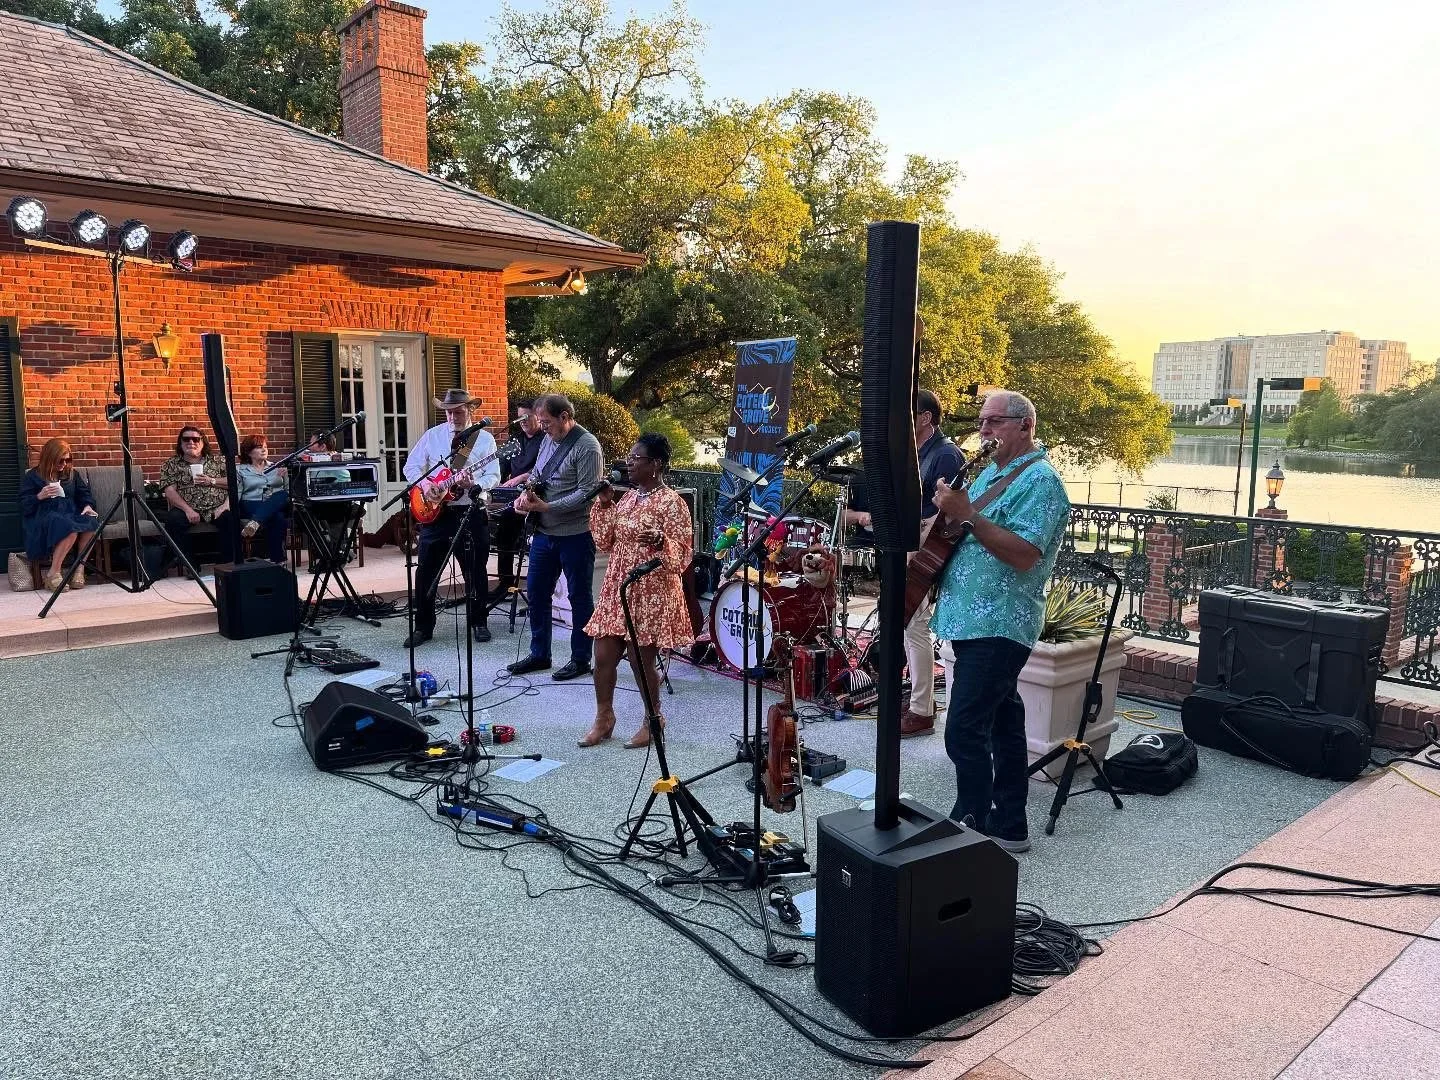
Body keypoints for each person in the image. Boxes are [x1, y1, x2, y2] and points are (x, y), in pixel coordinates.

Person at [930, 390, 1071, 853]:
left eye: (994, 422)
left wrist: (967, 514)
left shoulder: (1042, 481)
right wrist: (945, 519)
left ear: (1025, 425)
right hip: (972, 620)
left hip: (1000, 623)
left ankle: (967, 824)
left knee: (964, 728)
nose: (984, 432)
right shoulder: (995, 471)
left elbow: (1026, 554)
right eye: (981, 422)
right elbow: (967, 532)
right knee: (1003, 725)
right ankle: (1009, 824)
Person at [579, 434, 694, 748]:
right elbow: (605, 542)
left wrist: (661, 541)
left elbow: (683, 554)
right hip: (619, 585)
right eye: (628, 457)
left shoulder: (672, 502)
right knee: (602, 655)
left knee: (639, 659)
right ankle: (604, 717)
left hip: (651, 589)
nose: (628, 462)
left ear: (655, 464)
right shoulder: (628, 498)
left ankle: (653, 718)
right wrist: (604, 504)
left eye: (636, 458)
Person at [507, 393, 604, 681]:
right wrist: (525, 498)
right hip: (543, 532)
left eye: (547, 422)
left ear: (565, 417)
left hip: (575, 533)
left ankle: (580, 659)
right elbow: (537, 474)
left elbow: (587, 493)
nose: (543, 428)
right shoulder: (549, 438)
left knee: (579, 598)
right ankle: (540, 654)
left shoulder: (587, 447)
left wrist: (547, 506)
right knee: (536, 593)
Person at [401, 389, 499, 646]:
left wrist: (473, 483)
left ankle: (478, 621)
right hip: (436, 515)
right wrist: (424, 486)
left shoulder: (485, 439)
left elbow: (494, 476)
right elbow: (410, 466)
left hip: (469, 512)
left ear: (470, 410)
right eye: (448, 411)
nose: (452, 416)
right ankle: (423, 626)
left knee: (475, 570)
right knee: (426, 572)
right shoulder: (432, 436)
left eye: (458, 411)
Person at [900, 388, 966, 738]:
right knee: (907, 627)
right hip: (911, 547)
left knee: (915, 626)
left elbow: (948, 516)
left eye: (907, 414)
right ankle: (917, 700)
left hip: (926, 552)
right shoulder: (919, 452)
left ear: (926, 417)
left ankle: (921, 710)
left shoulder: (945, 455)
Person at [19, 438, 98, 590]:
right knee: (69, 528)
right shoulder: (33, 476)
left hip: (70, 512)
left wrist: (88, 505)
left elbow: (84, 494)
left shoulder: (71, 474)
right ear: (49, 458)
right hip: (45, 515)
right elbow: (24, 503)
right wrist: (39, 496)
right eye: (60, 460)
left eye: (67, 460)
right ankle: (53, 574)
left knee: (91, 523)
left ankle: (78, 569)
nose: (63, 464)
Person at [488, 399, 544, 606]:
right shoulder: (515, 440)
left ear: (537, 416)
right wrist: (497, 486)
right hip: (513, 498)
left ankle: (540, 589)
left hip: (536, 496)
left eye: (526, 416)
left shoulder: (546, 440)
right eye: (519, 416)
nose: (523, 421)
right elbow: (501, 467)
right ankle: (505, 584)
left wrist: (521, 478)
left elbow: (544, 470)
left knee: (534, 543)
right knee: (503, 535)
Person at [159, 425, 236, 573]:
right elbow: (169, 491)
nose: (191, 442)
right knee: (173, 520)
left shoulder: (218, 461)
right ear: (180, 443)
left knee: (230, 519)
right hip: (187, 508)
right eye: (186, 439)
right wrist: (188, 510)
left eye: (195, 439)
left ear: (203, 442)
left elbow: (234, 483)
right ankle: (190, 564)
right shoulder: (171, 464)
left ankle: (225, 565)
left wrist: (212, 482)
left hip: (217, 506)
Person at [236, 434, 290, 564]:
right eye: (259, 447)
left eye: (265, 447)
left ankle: (255, 522)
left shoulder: (278, 467)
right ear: (248, 452)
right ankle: (278, 559)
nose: (264, 450)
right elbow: (238, 492)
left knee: (282, 494)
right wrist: (229, 507)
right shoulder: (240, 470)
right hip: (251, 503)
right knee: (277, 518)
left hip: (275, 503)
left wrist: (288, 474)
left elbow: (288, 490)